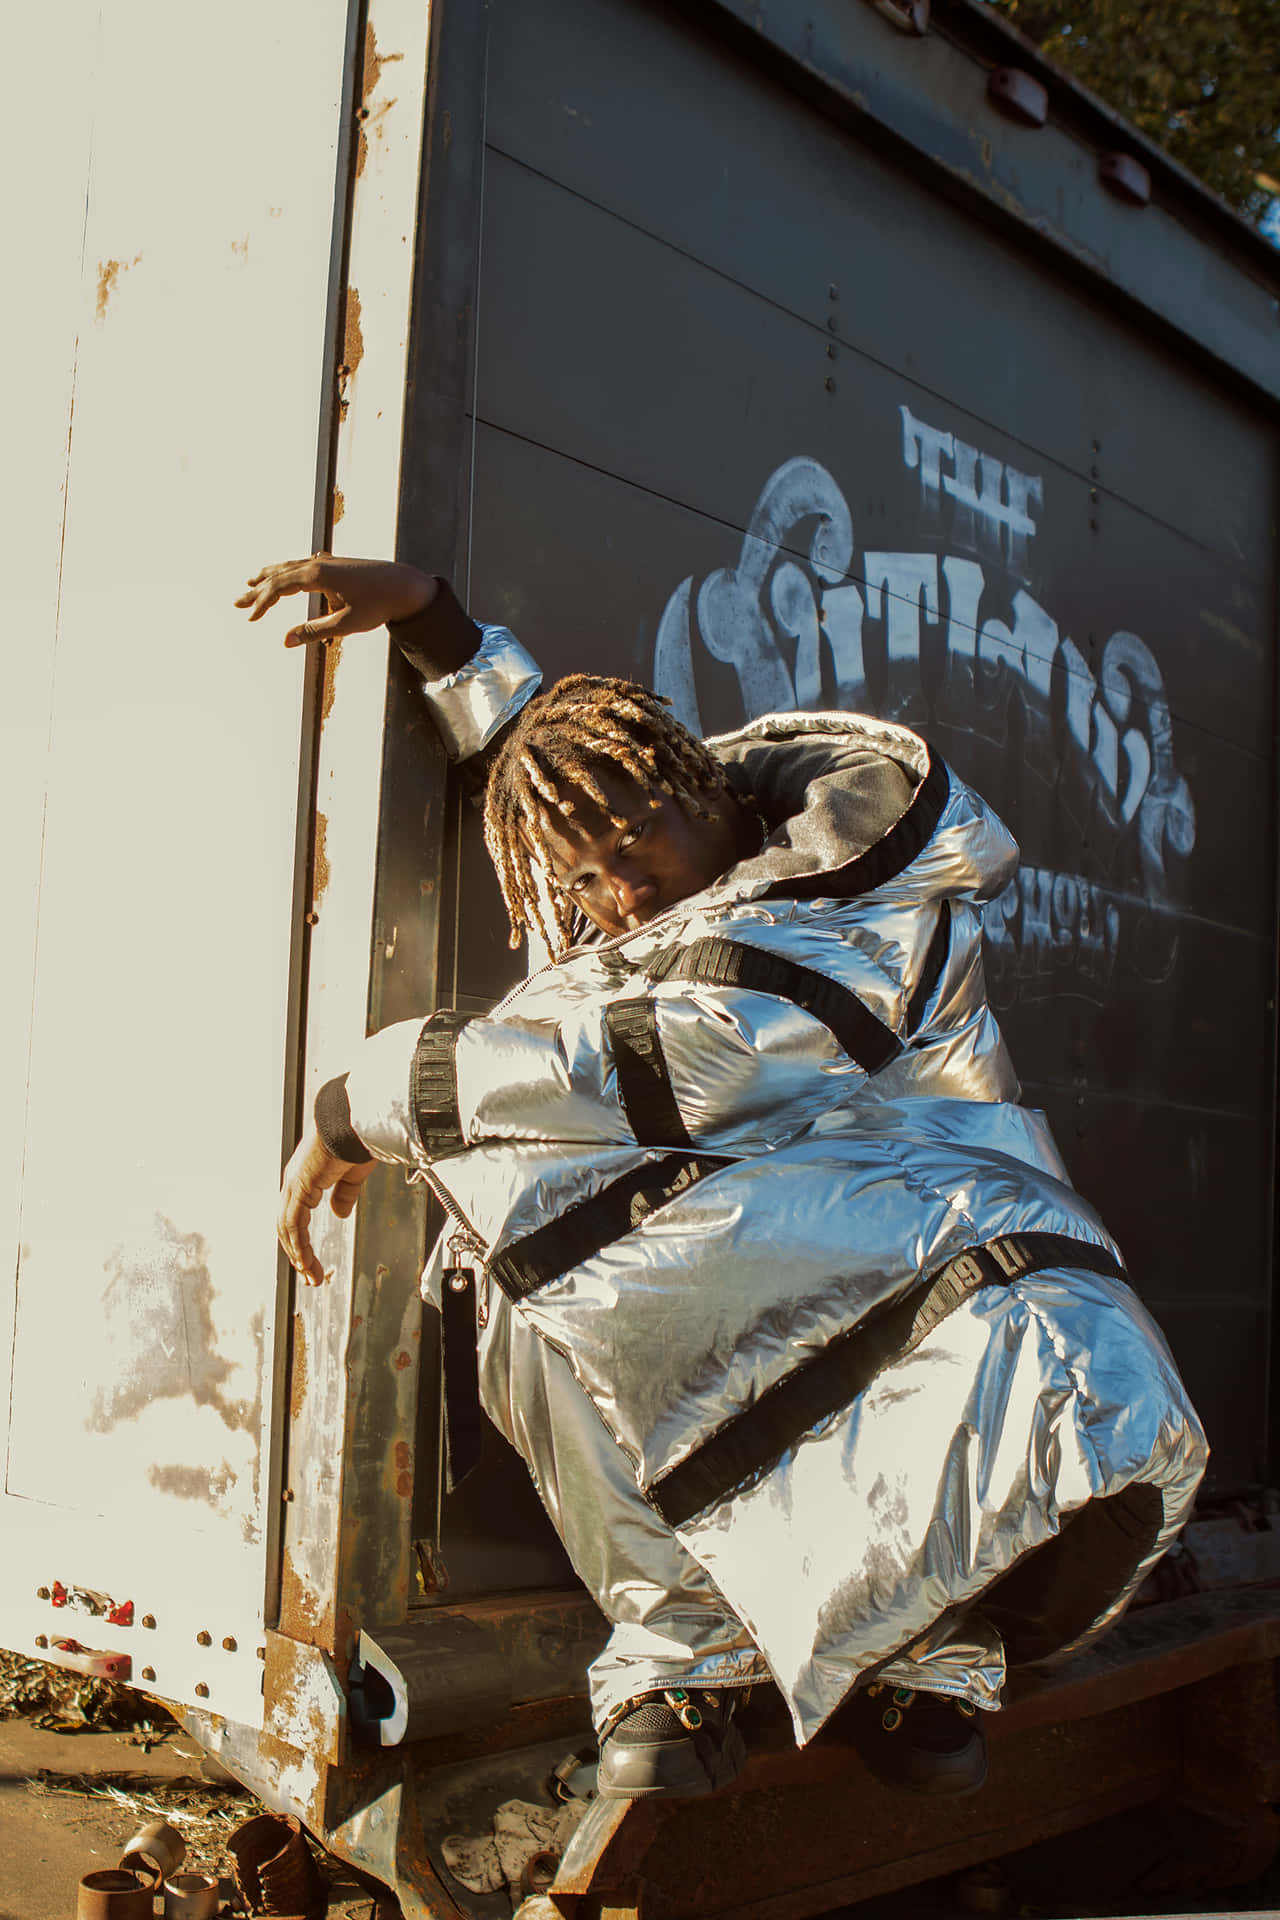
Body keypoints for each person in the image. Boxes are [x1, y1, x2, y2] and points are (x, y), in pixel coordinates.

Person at [240, 554, 1207, 1802]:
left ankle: (936, 1645)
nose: (616, 889)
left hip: (952, 1252)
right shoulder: (632, 878)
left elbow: (682, 1061)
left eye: (636, 843)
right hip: (794, 1255)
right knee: (511, 1265)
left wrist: (365, 1101)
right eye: (581, 877)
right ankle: (682, 1662)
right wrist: (433, 623)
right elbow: (555, 767)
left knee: (937, 1358)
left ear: (702, 786)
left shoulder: (866, 898)